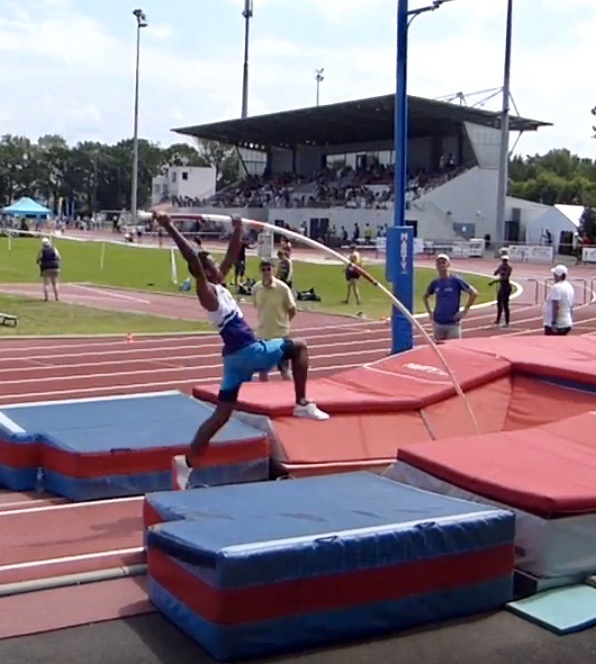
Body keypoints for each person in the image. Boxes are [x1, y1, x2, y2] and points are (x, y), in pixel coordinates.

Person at [153, 212, 329, 489]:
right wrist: (168, 226)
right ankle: (301, 403)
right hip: (248, 351)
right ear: (204, 272)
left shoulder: (218, 283)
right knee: (299, 346)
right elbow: (193, 258)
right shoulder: (206, 292)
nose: (218, 265)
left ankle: (187, 462)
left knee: (221, 415)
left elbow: (232, 254)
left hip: (234, 361)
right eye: (212, 265)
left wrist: (237, 228)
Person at [253, 259, 296, 381]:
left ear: (274, 270)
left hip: (280, 335)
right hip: (263, 335)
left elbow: (292, 310)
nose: (266, 272)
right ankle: (263, 392)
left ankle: (289, 390)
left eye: (269, 269)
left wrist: (284, 324)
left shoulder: (283, 288)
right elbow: (258, 308)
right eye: (263, 270)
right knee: (262, 370)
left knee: (284, 369)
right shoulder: (256, 288)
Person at [423, 254, 478, 342]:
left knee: (453, 348)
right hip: (438, 323)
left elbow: (474, 293)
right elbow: (425, 296)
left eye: (443, 262)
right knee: (439, 348)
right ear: (436, 265)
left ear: (448, 264)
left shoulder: (456, 280)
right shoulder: (435, 282)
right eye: (439, 263)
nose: (441, 265)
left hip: (453, 323)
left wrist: (465, 310)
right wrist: (430, 312)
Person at [543, 264, 574, 335]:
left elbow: (555, 306)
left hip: (558, 325)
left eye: (554, 275)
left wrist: (554, 323)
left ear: (558, 276)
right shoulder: (570, 287)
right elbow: (571, 306)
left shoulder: (556, 287)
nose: (553, 277)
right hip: (566, 322)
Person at [489, 254, 513, 327]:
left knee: (505, 305)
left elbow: (505, 278)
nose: (504, 262)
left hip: (506, 288)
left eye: (505, 261)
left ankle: (507, 322)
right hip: (502, 288)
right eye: (503, 260)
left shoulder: (509, 268)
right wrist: (498, 271)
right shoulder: (501, 266)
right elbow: (495, 273)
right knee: (499, 304)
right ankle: (498, 320)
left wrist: (494, 281)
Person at [36, 237, 61, 302]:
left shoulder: (42, 250)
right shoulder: (54, 249)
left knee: (46, 284)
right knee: (55, 283)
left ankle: (46, 298)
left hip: (46, 268)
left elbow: (38, 259)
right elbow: (59, 258)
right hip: (55, 267)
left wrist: (40, 263)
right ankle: (57, 297)